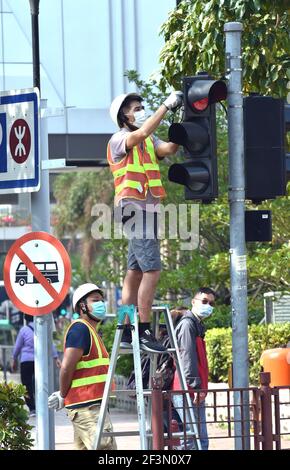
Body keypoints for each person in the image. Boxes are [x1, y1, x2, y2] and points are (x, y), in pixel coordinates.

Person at [108, 90, 183, 353]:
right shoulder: (119, 139)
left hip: (147, 210)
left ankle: (126, 329)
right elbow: (140, 134)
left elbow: (170, 148)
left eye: (142, 107)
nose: (141, 111)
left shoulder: (150, 141)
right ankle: (143, 329)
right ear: (123, 115)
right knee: (152, 270)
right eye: (137, 108)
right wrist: (165, 105)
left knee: (135, 272)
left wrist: (182, 119)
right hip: (132, 208)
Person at [48, 283, 117, 451]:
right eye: (95, 300)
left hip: (89, 406)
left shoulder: (91, 331)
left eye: (102, 300)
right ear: (82, 306)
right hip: (88, 409)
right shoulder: (80, 329)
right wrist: (63, 394)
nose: (101, 304)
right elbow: (66, 367)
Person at [171, 287, 216, 450]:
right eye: (204, 301)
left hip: (193, 390)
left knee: (197, 439)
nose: (208, 305)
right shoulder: (187, 325)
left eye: (211, 303)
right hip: (188, 390)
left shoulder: (195, 325)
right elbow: (186, 358)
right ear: (193, 302)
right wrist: (196, 388)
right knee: (193, 440)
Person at [12, 314, 61, 417]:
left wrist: (14, 359)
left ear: (25, 318)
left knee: (27, 385)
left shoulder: (24, 330)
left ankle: (32, 408)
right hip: (40, 361)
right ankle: (42, 406)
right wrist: (56, 357)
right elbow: (50, 343)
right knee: (40, 383)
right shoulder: (42, 328)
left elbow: (18, 346)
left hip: (26, 361)